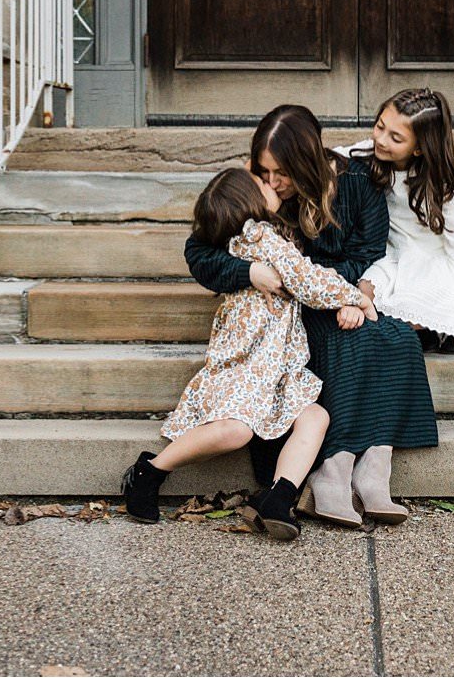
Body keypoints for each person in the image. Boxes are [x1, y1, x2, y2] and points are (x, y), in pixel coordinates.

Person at [185, 105, 438, 528]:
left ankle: (374, 471)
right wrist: (249, 271)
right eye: (263, 172)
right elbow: (199, 252)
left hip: (336, 295)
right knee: (344, 341)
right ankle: (329, 473)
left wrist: (343, 294)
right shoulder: (254, 192)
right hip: (282, 314)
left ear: (306, 163)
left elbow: (367, 254)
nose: (273, 183)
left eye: (281, 173)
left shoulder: (359, 181)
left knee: (397, 338)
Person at [121, 167, 372, 541]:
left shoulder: (261, 237)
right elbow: (308, 281)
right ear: (248, 204)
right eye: (261, 183)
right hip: (247, 365)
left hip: (275, 369)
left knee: (315, 417)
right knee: (235, 431)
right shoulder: (259, 237)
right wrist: (356, 297)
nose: (271, 183)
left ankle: (278, 496)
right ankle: (149, 471)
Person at [338, 88, 454, 354]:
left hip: (428, 258)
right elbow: (322, 158)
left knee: (415, 307)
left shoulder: (443, 183)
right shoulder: (366, 152)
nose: (381, 140)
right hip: (388, 255)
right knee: (364, 296)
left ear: (420, 147)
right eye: (379, 127)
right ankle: (427, 332)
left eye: (395, 137)